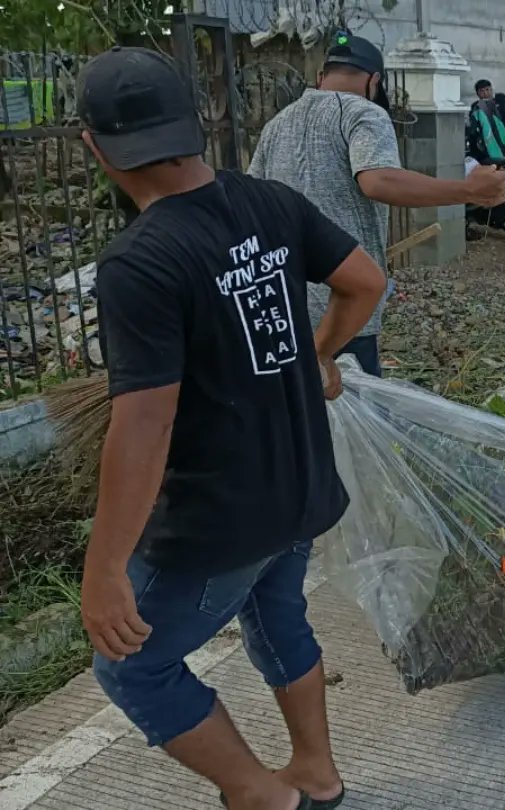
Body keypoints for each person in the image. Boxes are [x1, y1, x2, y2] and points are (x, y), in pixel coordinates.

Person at [78, 47, 388, 810]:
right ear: (193, 125)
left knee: (133, 666)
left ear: (96, 146)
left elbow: (145, 425)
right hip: (300, 489)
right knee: (278, 617)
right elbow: (365, 282)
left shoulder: (141, 262)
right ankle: (316, 775)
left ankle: (262, 795)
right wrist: (319, 354)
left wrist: (105, 566)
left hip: (221, 518)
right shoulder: (270, 203)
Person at [249, 33, 505, 377]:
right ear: (374, 81)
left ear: (319, 77)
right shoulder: (363, 112)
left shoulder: (276, 125)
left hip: (284, 302)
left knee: (301, 416)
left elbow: (253, 198)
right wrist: (468, 191)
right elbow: (377, 181)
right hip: (343, 307)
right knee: (351, 415)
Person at [472, 78, 505, 149]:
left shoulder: (500, 98)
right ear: (477, 94)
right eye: (482, 91)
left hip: (504, 138)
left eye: (487, 89)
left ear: (491, 89)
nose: (485, 93)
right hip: (487, 142)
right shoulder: (476, 106)